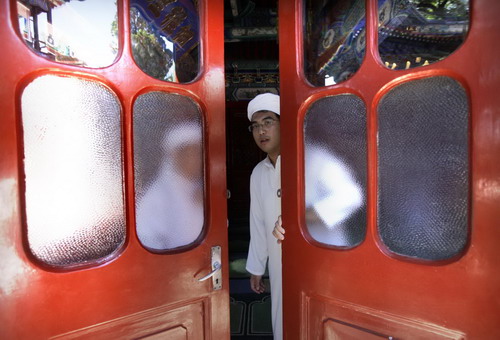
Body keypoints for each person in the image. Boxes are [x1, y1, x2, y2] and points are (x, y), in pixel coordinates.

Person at [245, 93, 283, 339]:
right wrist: (257, 267)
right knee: (281, 316)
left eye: (268, 122)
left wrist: (306, 217)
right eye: (256, 126)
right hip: (278, 263)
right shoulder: (258, 173)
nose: (261, 131)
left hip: (314, 258)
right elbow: (257, 223)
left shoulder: (306, 159)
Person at [273, 145, 364, 246]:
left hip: (323, 250)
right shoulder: (270, 165)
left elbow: (351, 196)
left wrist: (305, 215)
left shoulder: (316, 159)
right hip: (287, 247)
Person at [136, 123, 204, 250]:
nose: (195, 158)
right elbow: (149, 243)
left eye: (199, 152)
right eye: (188, 153)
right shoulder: (156, 196)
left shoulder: (202, 188)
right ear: (173, 156)